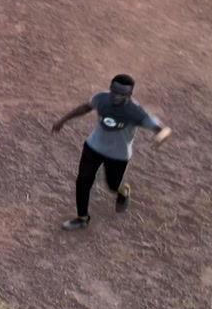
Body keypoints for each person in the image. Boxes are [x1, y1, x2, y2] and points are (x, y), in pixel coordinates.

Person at [51, 74, 173, 231]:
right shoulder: (101, 98)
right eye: (114, 91)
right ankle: (82, 218)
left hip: (118, 155)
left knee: (113, 185)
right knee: (83, 180)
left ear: (130, 95)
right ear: (110, 88)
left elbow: (163, 129)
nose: (117, 96)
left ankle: (124, 190)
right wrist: (63, 120)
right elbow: (86, 107)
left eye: (122, 94)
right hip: (93, 147)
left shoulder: (136, 112)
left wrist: (161, 137)